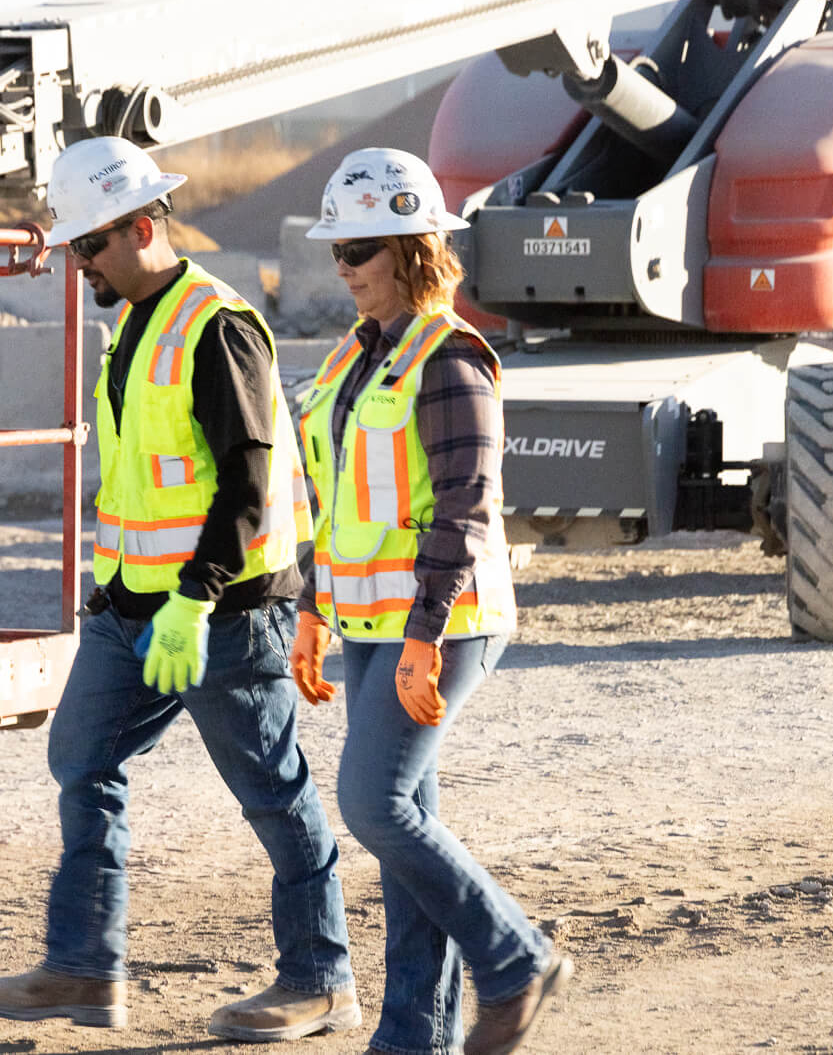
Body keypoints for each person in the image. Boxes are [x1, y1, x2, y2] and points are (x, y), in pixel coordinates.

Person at [0, 135, 360, 1042]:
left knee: (274, 792)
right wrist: (117, 595)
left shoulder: (215, 326)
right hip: (134, 613)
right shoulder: (136, 326)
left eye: (90, 246)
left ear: (143, 226)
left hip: (222, 615)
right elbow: (146, 486)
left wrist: (194, 595)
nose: (80, 264)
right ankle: (83, 969)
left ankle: (324, 980)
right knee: (81, 760)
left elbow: (250, 482)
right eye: (72, 249)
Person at [291, 147, 573, 1055]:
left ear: (414, 247)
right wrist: (309, 605)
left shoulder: (449, 357)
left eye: (362, 250)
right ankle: (415, 1035)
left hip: (443, 621)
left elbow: (466, 506)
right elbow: (336, 499)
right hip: (372, 620)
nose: (346, 269)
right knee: (407, 812)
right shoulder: (357, 359)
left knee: (375, 805)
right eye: (337, 251)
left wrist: (425, 636)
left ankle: (517, 958)